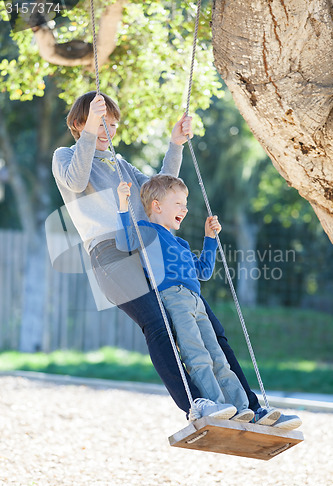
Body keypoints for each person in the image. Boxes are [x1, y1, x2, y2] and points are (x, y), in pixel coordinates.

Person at [52, 91, 301, 430]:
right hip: (111, 254)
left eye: (111, 125)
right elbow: (76, 180)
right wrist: (90, 135)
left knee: (212, 329)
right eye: (100, 124)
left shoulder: (121, 164)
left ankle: (251, 407)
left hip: (146, 250)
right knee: (158, 325)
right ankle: (197, 404)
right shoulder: (66, 156)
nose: (108, 132)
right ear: (79, 125)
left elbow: (158, 191)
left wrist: (175, 144)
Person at [116, 174, 259, 423]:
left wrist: (210, 239)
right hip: (173, 298)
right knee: (196, 354)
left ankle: (242, 406)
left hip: (196, 300)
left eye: (186, 204)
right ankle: (217, 405)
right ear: (157, 205)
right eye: (179, 203)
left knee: (217, 355)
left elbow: (203, 270)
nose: (185, 208)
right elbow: (123, 242)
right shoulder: (145, 231)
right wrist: (122, 204)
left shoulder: (180, 243)